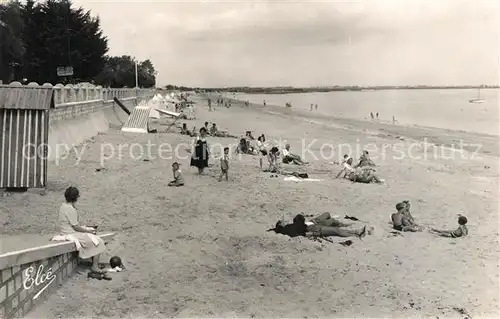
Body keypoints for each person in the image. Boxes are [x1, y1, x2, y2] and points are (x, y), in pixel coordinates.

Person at [59, 187, 111, 280]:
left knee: (92, 238)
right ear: (75, 198)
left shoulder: (63, 206)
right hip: (71, 233)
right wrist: (88, 231)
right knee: (97, 241)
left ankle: (94, 263)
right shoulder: (70, 209)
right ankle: (95, 266)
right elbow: (75, 227)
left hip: (66, 230)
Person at [271, 214, 369, 239]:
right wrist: (314, 234)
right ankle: (357, 232)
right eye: (282, 221)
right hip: (315, 230)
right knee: (336, 231)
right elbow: (302, 234)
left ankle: (357, 232)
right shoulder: (289, 228)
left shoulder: (289, 227)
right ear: (282, 225)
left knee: (336, 230)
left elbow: (301, 232)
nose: (284, 221)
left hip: (313, 228)